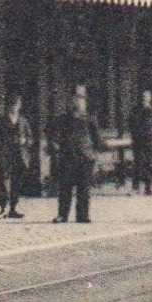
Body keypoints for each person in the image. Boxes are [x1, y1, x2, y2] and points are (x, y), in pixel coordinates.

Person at [49, 88, 104, 223]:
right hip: (68, 157)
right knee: (65, 188)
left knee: (84, 188)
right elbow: (54, 134)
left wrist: (97, 153)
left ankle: (82, 215)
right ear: (71, 101)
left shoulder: (90, 119)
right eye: (75, 98)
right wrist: (55, 144)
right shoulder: (63, 119)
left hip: (85, 157)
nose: (78, 101)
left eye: (81, 98)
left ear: (85, 101)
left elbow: (97, 139)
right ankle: (62, 215)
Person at [0, 94, 33, 219]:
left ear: (19, 106)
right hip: (5, 155)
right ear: (7, 106)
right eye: (11, 105)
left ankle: (13, 208)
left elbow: (30, 138)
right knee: (3, 182)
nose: (14, 107)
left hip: (19, 156)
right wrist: (0, 145)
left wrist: (25, 141)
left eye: (16, 105)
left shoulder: (23, 121)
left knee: (16, 182)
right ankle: (3, 208)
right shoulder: (0, 122)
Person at [129, 89, 152, 195]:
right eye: (143, 96)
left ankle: (148, 188)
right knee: (138, 163)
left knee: (148, 164)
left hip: (149, 139)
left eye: (147, 96)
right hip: (139, 140)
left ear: (150, 98)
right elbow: (131, 123)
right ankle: (135, 187)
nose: (144, 98)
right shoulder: (136, 109)